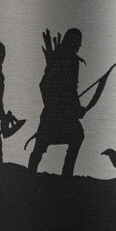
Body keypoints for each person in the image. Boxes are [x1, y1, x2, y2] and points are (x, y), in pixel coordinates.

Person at [27, 28, 86, 177]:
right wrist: (70, 108)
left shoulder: (65, 59)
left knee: (76, 135)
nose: (79, 46)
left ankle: (66, 176)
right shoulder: (65, 60)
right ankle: (32, 176)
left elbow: (71, 89)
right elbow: (48, 85)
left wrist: (75, 109)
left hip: (58, 114)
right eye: (78, 42)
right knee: (41, 146)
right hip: (54, 114)